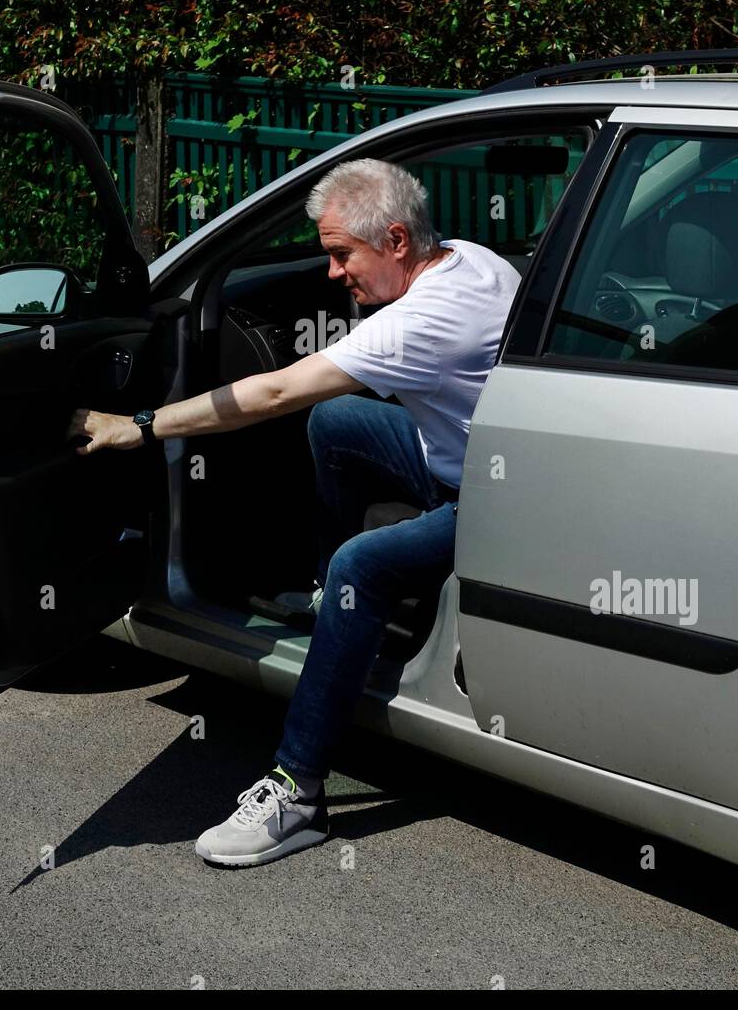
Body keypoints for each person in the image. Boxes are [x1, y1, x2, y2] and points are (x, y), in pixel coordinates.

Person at [67, 158, 521, 868]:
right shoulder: (470, 259)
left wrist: (141, 423)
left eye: (343, 254)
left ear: (397, 240)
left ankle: (298, 791)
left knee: (360, 564)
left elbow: (274, 393)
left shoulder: (416, 324)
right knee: (339, 421)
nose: (334, 273)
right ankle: (329, 602)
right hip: (465, 456)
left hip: (494, 502)